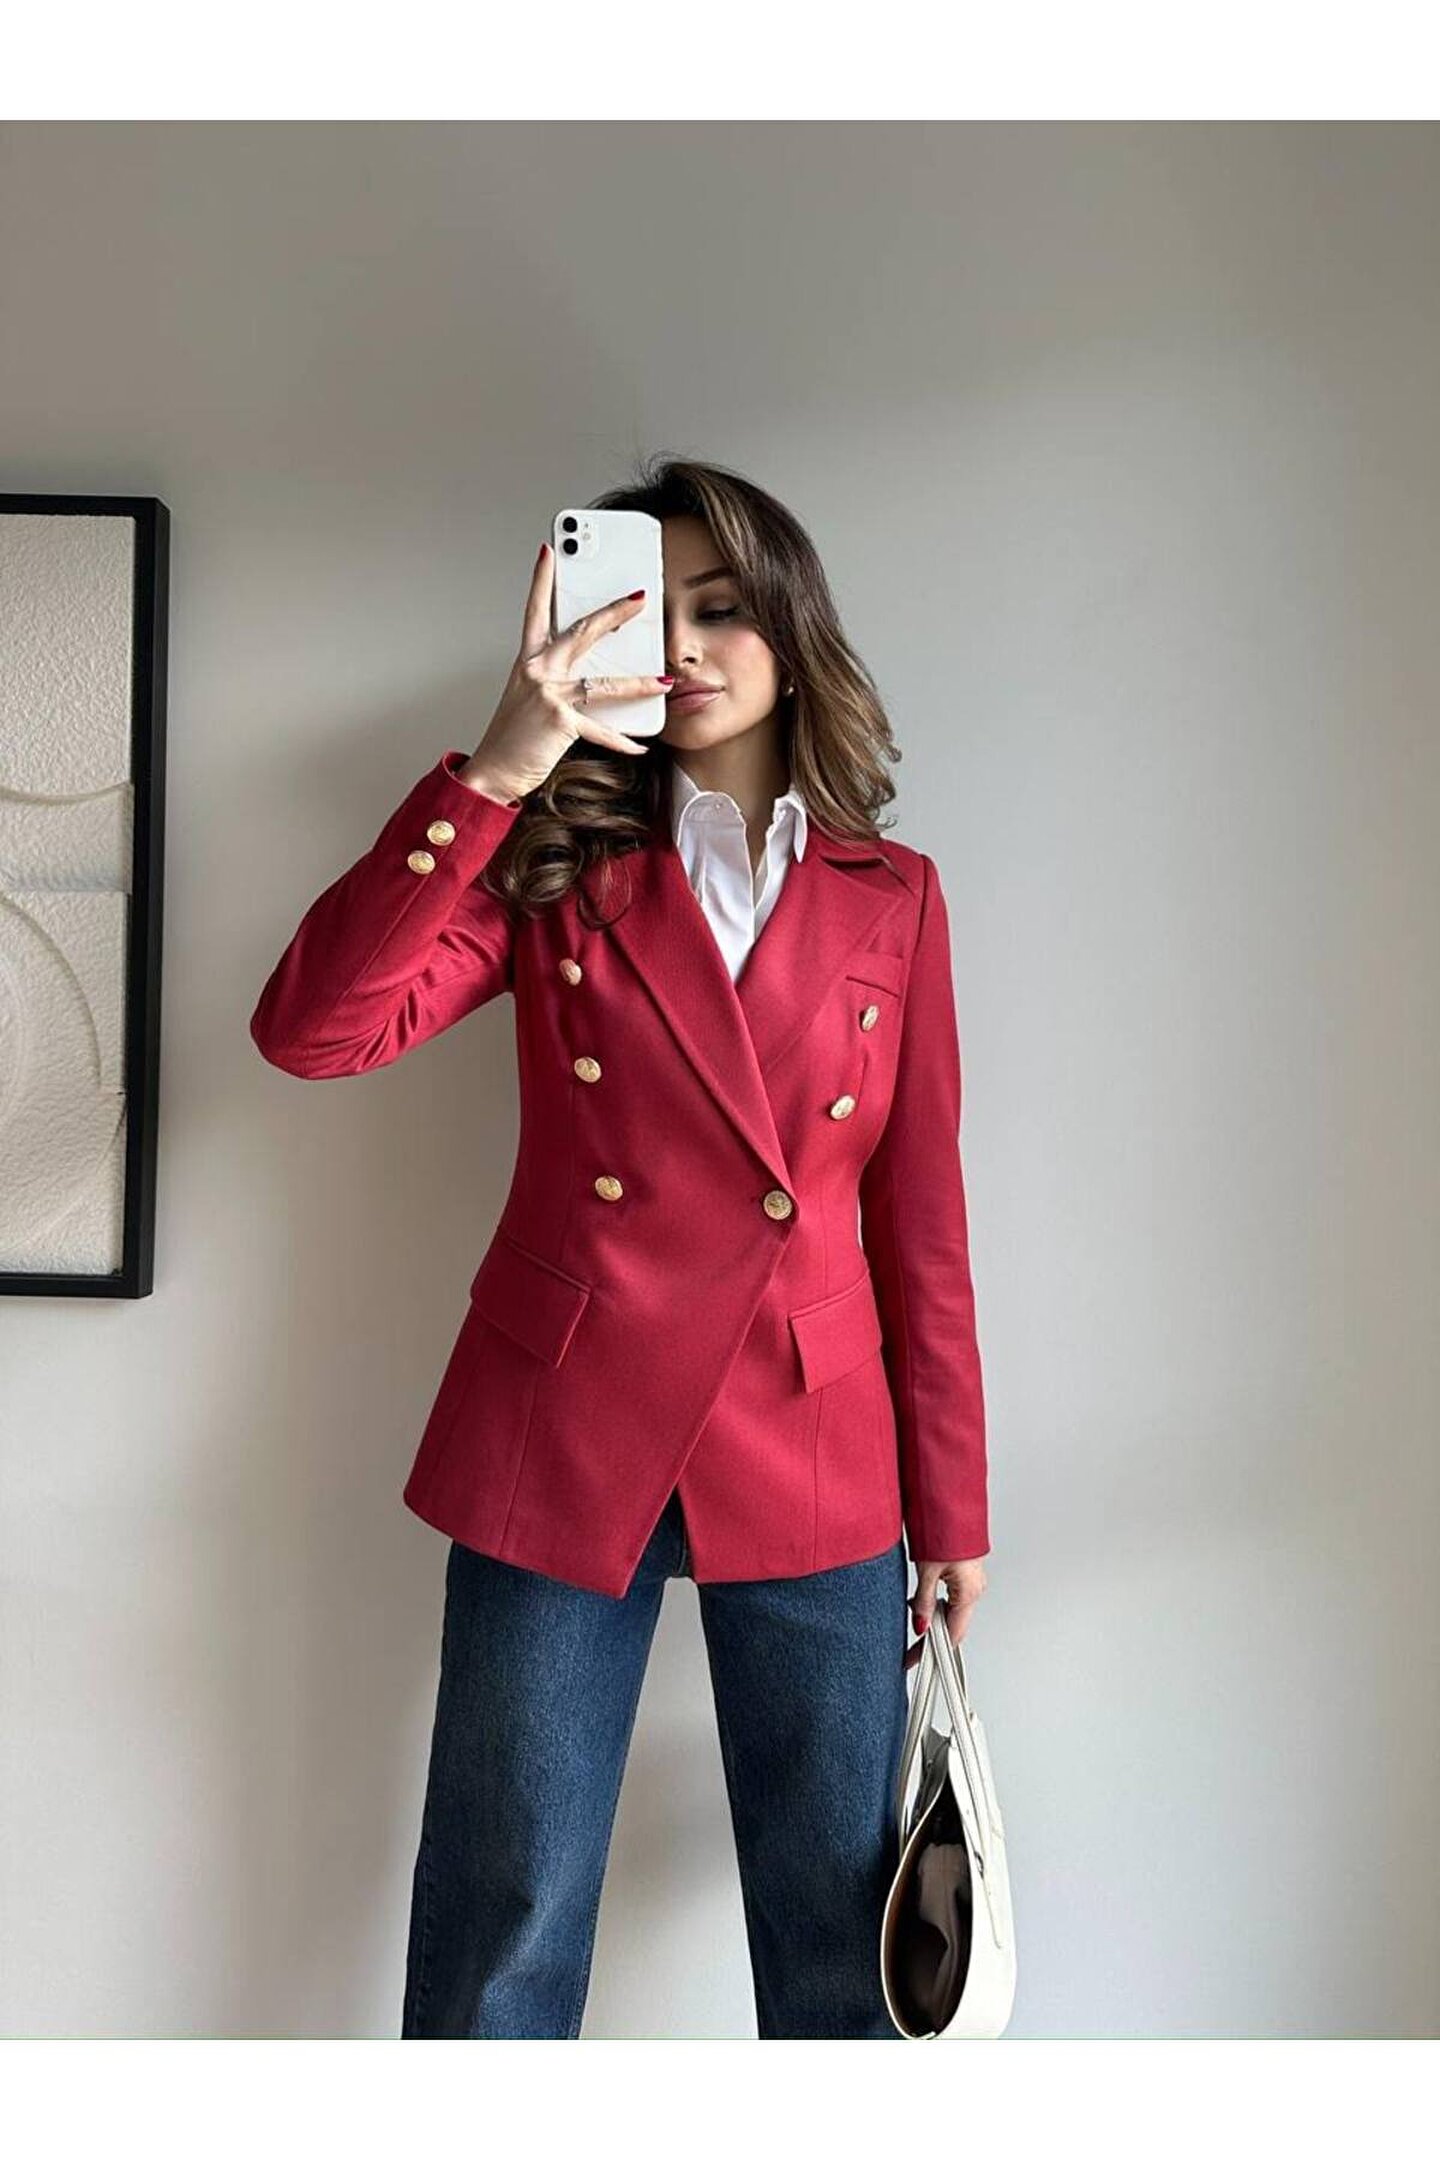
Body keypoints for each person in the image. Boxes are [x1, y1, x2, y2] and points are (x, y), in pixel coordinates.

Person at [249, 456, 990, 2040]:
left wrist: (953, 1510)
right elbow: (313, 1033)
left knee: (838, 1929)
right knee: (506, 1916)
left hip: (814, 1436)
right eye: (652, 615)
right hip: (561, 1427)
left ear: (792, 629)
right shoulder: (553, 866)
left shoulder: (896, 900)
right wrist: (500, 769)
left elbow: (922, 1228)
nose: (689, 647)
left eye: (724, 609)